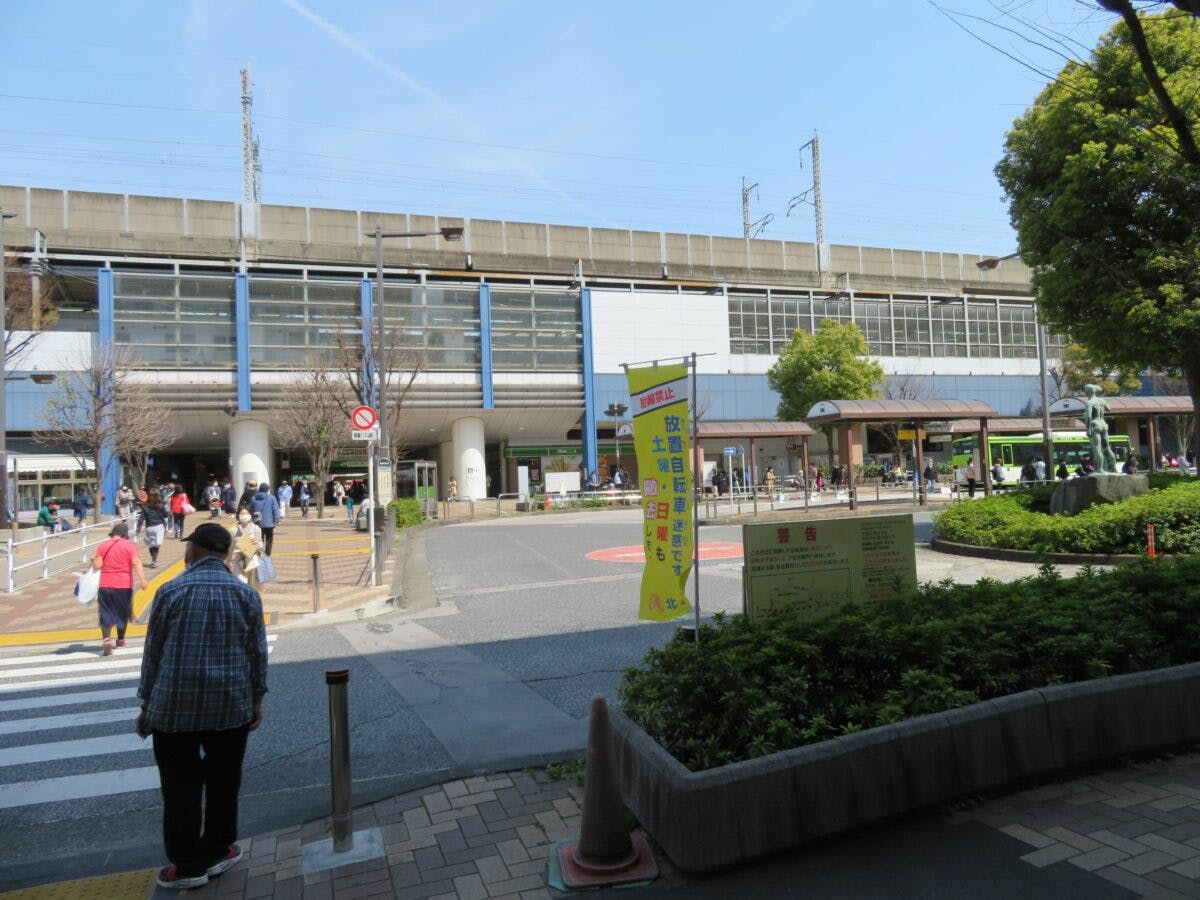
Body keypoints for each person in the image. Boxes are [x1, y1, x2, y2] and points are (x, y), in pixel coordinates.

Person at [136, 523, 268, 891]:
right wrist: (257, 699)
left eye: (188, 546)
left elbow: (154, 653)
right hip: (230, 706)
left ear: (193, 550)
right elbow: (257, 654)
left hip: (174, 708)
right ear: (225, 553)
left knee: (179, 787)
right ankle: (218, 850)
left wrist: (146, 702)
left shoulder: (169, 591)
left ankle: (186, 865)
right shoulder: (246, 597)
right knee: (225, 781)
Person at [92, 521, 147, 656]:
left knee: (106, 611)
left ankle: (106, 639)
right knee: (122, 612)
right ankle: (121, 640)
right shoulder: (129, 546)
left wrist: (93, 560)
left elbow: (97, 565)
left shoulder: (103, 545)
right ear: (124, 535)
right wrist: (143, 579)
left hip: (105, 584)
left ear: (113, 534)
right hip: (124, 585)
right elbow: (136, 562)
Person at [227, 506, 263, 585]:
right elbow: (229, 549)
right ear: (238, 516)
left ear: (250, 515)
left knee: (251, 585)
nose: (244, 516)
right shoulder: (232, 530)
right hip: (236, 561)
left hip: (251, 562)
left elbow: (261, 549)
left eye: (246, 513)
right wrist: (227, 562)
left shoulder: (256, 529)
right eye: (242, 514)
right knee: (241, 582)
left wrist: (257, 544)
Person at [249, 482, 280, 556]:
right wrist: (276, 520)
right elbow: (275, 510)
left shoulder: (253, 498)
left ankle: (259, 554)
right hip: (269, 523)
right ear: (267, 490)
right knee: (269, 540)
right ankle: (267, 555)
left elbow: (250, 510)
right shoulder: (272, 498)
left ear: (259, 489)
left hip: (257, 523)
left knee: (259, 539)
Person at [140, 491, 168, 568]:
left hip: (149, 528)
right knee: (156, 545)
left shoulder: (145, 507)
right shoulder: (161, 506)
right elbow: (166, 515)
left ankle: (153, 560)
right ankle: (154, 560)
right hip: (159, 527)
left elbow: (141, 518)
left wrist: (138, 528)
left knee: (151, 545)